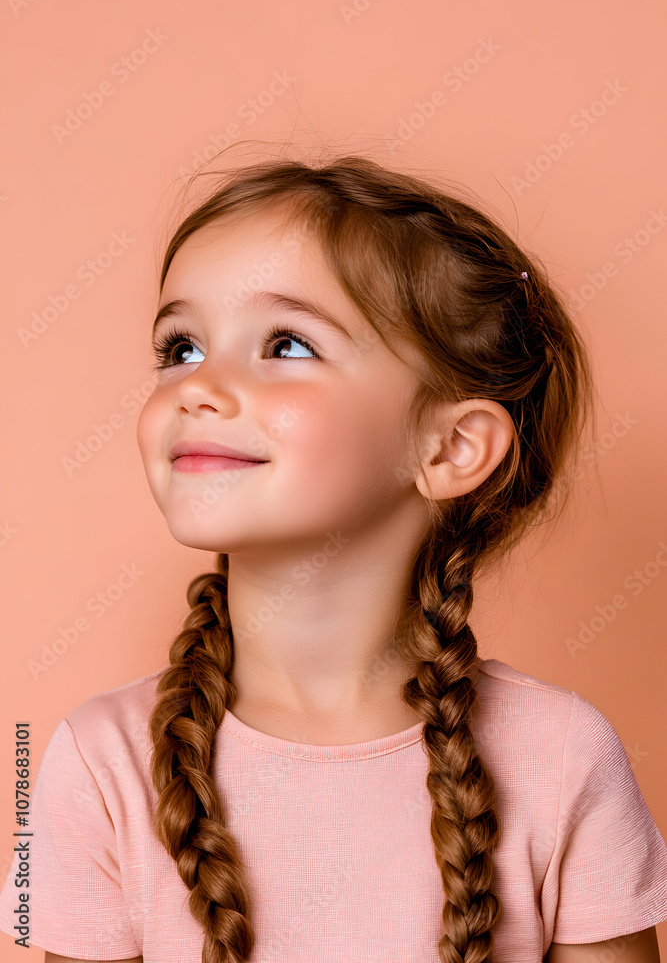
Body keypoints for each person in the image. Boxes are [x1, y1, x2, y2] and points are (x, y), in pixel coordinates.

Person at [1, 151, 666, 963]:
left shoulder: (563, 756)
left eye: (284, 343)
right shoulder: (95, 760)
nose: (198, 386)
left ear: (453, 447)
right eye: (180, 347)